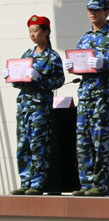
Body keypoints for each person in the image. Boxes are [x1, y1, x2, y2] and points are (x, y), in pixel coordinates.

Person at [64, 0, 109, 197]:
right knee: (83, 141)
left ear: (106, 12)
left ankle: (100, 184)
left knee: (101, 140)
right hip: (85, 94)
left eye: (97, 10)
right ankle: (86, 183)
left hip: (103, 95)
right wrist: (73, 67)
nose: (92, 13)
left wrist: (104, 64)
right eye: (90, 10)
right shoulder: (84, 38)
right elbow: (80, 62)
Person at [3, 15, 64, 195]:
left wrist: (40, 78)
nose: (32, 35)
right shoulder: (27, 55)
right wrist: (12, 77)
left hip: (40, 107)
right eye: (30, 31)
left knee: (38, 145)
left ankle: (37, 183)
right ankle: (25, 181)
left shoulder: (52, 57)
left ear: (46, 32)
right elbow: (20, 82)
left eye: (35, 31)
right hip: (24, 106)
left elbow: (58, 81)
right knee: (23, 144)